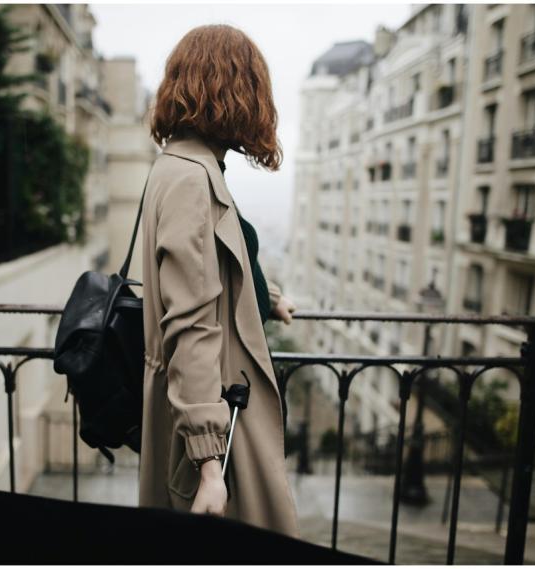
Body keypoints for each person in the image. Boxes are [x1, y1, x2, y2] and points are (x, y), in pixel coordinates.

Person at [137, 24, 301, 539]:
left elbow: (212, 264)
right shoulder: (191, 177)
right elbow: (191, 321)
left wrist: (264, 298)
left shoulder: (183, 164)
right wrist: (210, 462)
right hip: (218, 417)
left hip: (213, 408)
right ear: (236, 90)